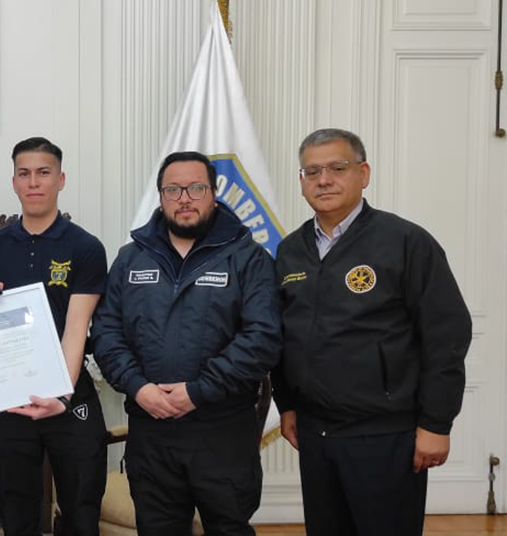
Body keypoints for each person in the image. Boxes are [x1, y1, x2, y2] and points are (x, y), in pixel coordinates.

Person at [272, 128, 472, 536]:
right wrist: (287, 404)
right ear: (301, 182)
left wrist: (437, 424)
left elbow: (446, 334)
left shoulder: (405, 242)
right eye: (312, 171)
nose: (323, 179)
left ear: (363, 173)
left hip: (385, 434)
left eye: (337, 168)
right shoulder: (290, 250)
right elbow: (283, 335)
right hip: (315, 432)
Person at [92, 151, 281, 536]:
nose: (184, 198)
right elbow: (106, 333)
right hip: (151, 431)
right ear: (160, 197)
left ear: (214, 194)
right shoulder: (130, 260)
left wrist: (198, 392)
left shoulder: (249, 258)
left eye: (196, 188)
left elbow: (262, 338)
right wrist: (138, 387)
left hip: (222, 432)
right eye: (173, 189)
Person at [0, 137, 107, 536]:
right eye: (24, 173)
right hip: (11, 400)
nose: (34, 182)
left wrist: (61, 395)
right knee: (16, 515)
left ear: (61, 180)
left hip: (68, 396)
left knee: (81, 512)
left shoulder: (85, 247)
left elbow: (76, 330)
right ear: (14, 182)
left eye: (44, 172)